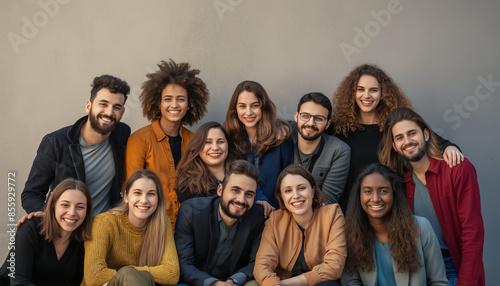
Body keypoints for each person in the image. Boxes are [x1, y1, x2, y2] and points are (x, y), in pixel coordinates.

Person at [330, 64, 463, 211]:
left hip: (391, 210)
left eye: (373, 90)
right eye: (360, 89)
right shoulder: (339, 129)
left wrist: (450, 147)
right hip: (350, 211)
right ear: (352, 93)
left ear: (383, 94)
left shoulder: (395, 127)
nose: (366, 96)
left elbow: (432, 140)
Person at [378, 108, 484, 286]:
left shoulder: (457, 169)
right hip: (421, 269)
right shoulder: (402, 184)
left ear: (426, 134)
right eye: (400, 137)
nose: (408, 141)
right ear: (395, 147)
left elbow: (473, 232)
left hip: (455, 266)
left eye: (412, 133)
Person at [21, 75, 130, 217]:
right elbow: (31, 194)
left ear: (122, 112)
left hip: (106, 230)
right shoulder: (56, 143)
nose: (109, 113)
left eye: (116, 107)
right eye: (103, 104)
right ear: (88, 106)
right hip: (69, 230)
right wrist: (48, 219)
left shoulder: (122, 134)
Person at [124, 59, 210, 230]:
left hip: (188, 226)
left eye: (181, 99)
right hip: (153, 226)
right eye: (168, 99)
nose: (174, 105)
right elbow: (132, 188)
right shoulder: (139, 140)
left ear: (189, 103)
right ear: (158, 102)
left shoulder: (194, 140)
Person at [340, 163, 448, 286]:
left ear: (394, 194)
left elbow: (438, 282)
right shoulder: (351, 234)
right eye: (368, 191)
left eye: (383, 191)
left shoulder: (421, 228)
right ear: (359, 195)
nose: (375, 198)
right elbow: (351, 282)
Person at [175, 160, 266, 286]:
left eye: (249, 194)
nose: (241, 199)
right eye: (235, 190)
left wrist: (233, 281)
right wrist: (215, 284)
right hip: (194, 282)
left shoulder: (259, 217)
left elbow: (256, 262)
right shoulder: (190, 211)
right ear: (220, 190)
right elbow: (184, 264)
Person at [254, 165, 346, 286]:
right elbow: (262, 265)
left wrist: (284, 284)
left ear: (313, 191)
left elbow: (334, 266)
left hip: (318, 283)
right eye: (288, 190)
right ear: (281, 196)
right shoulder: (275, 220)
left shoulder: (333, 214)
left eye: (301, 188)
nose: (296, 195)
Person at [83, 169, 179, 286]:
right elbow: (94, 276)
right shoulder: (104, 223)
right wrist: (127, 274)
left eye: (151, 194)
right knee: (128, 275)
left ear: (158, 199)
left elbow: (172, 273)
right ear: (126, 197)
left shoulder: (163, 223)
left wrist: (132, 272)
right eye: (137, 193)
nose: (144, 200)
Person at [0, 178, 93, 286]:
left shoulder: (83, 240)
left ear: (87, 211)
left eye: (80, 207)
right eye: (65, 205)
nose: (72, 213)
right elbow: (20, 282)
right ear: (53, 205)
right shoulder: (31, 229)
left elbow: (74, 283)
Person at [224, 80, 293, 216]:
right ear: (235, 109)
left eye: (255, 106)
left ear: (263, 107)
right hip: (243, 215)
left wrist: (286, 126)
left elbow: (289, 175)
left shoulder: (281, 138)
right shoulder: (230, 140)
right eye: (242, 106)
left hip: (279, 214)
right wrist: (259, 198)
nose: (248, 112)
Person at [291, 92, 350, 204]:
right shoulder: (282, 140)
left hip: (318, 217)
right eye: (305, 116)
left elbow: (328, 200)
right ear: (296, 116)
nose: (311, 123)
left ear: (327, 124)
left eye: (319, 118)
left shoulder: (338, 151)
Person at [175, 121, 242, 203]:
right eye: (208, 142)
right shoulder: (189, 185)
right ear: (198, 146)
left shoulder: (242, 173)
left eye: (220, 141)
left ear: (228, 145)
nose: (215, 147)